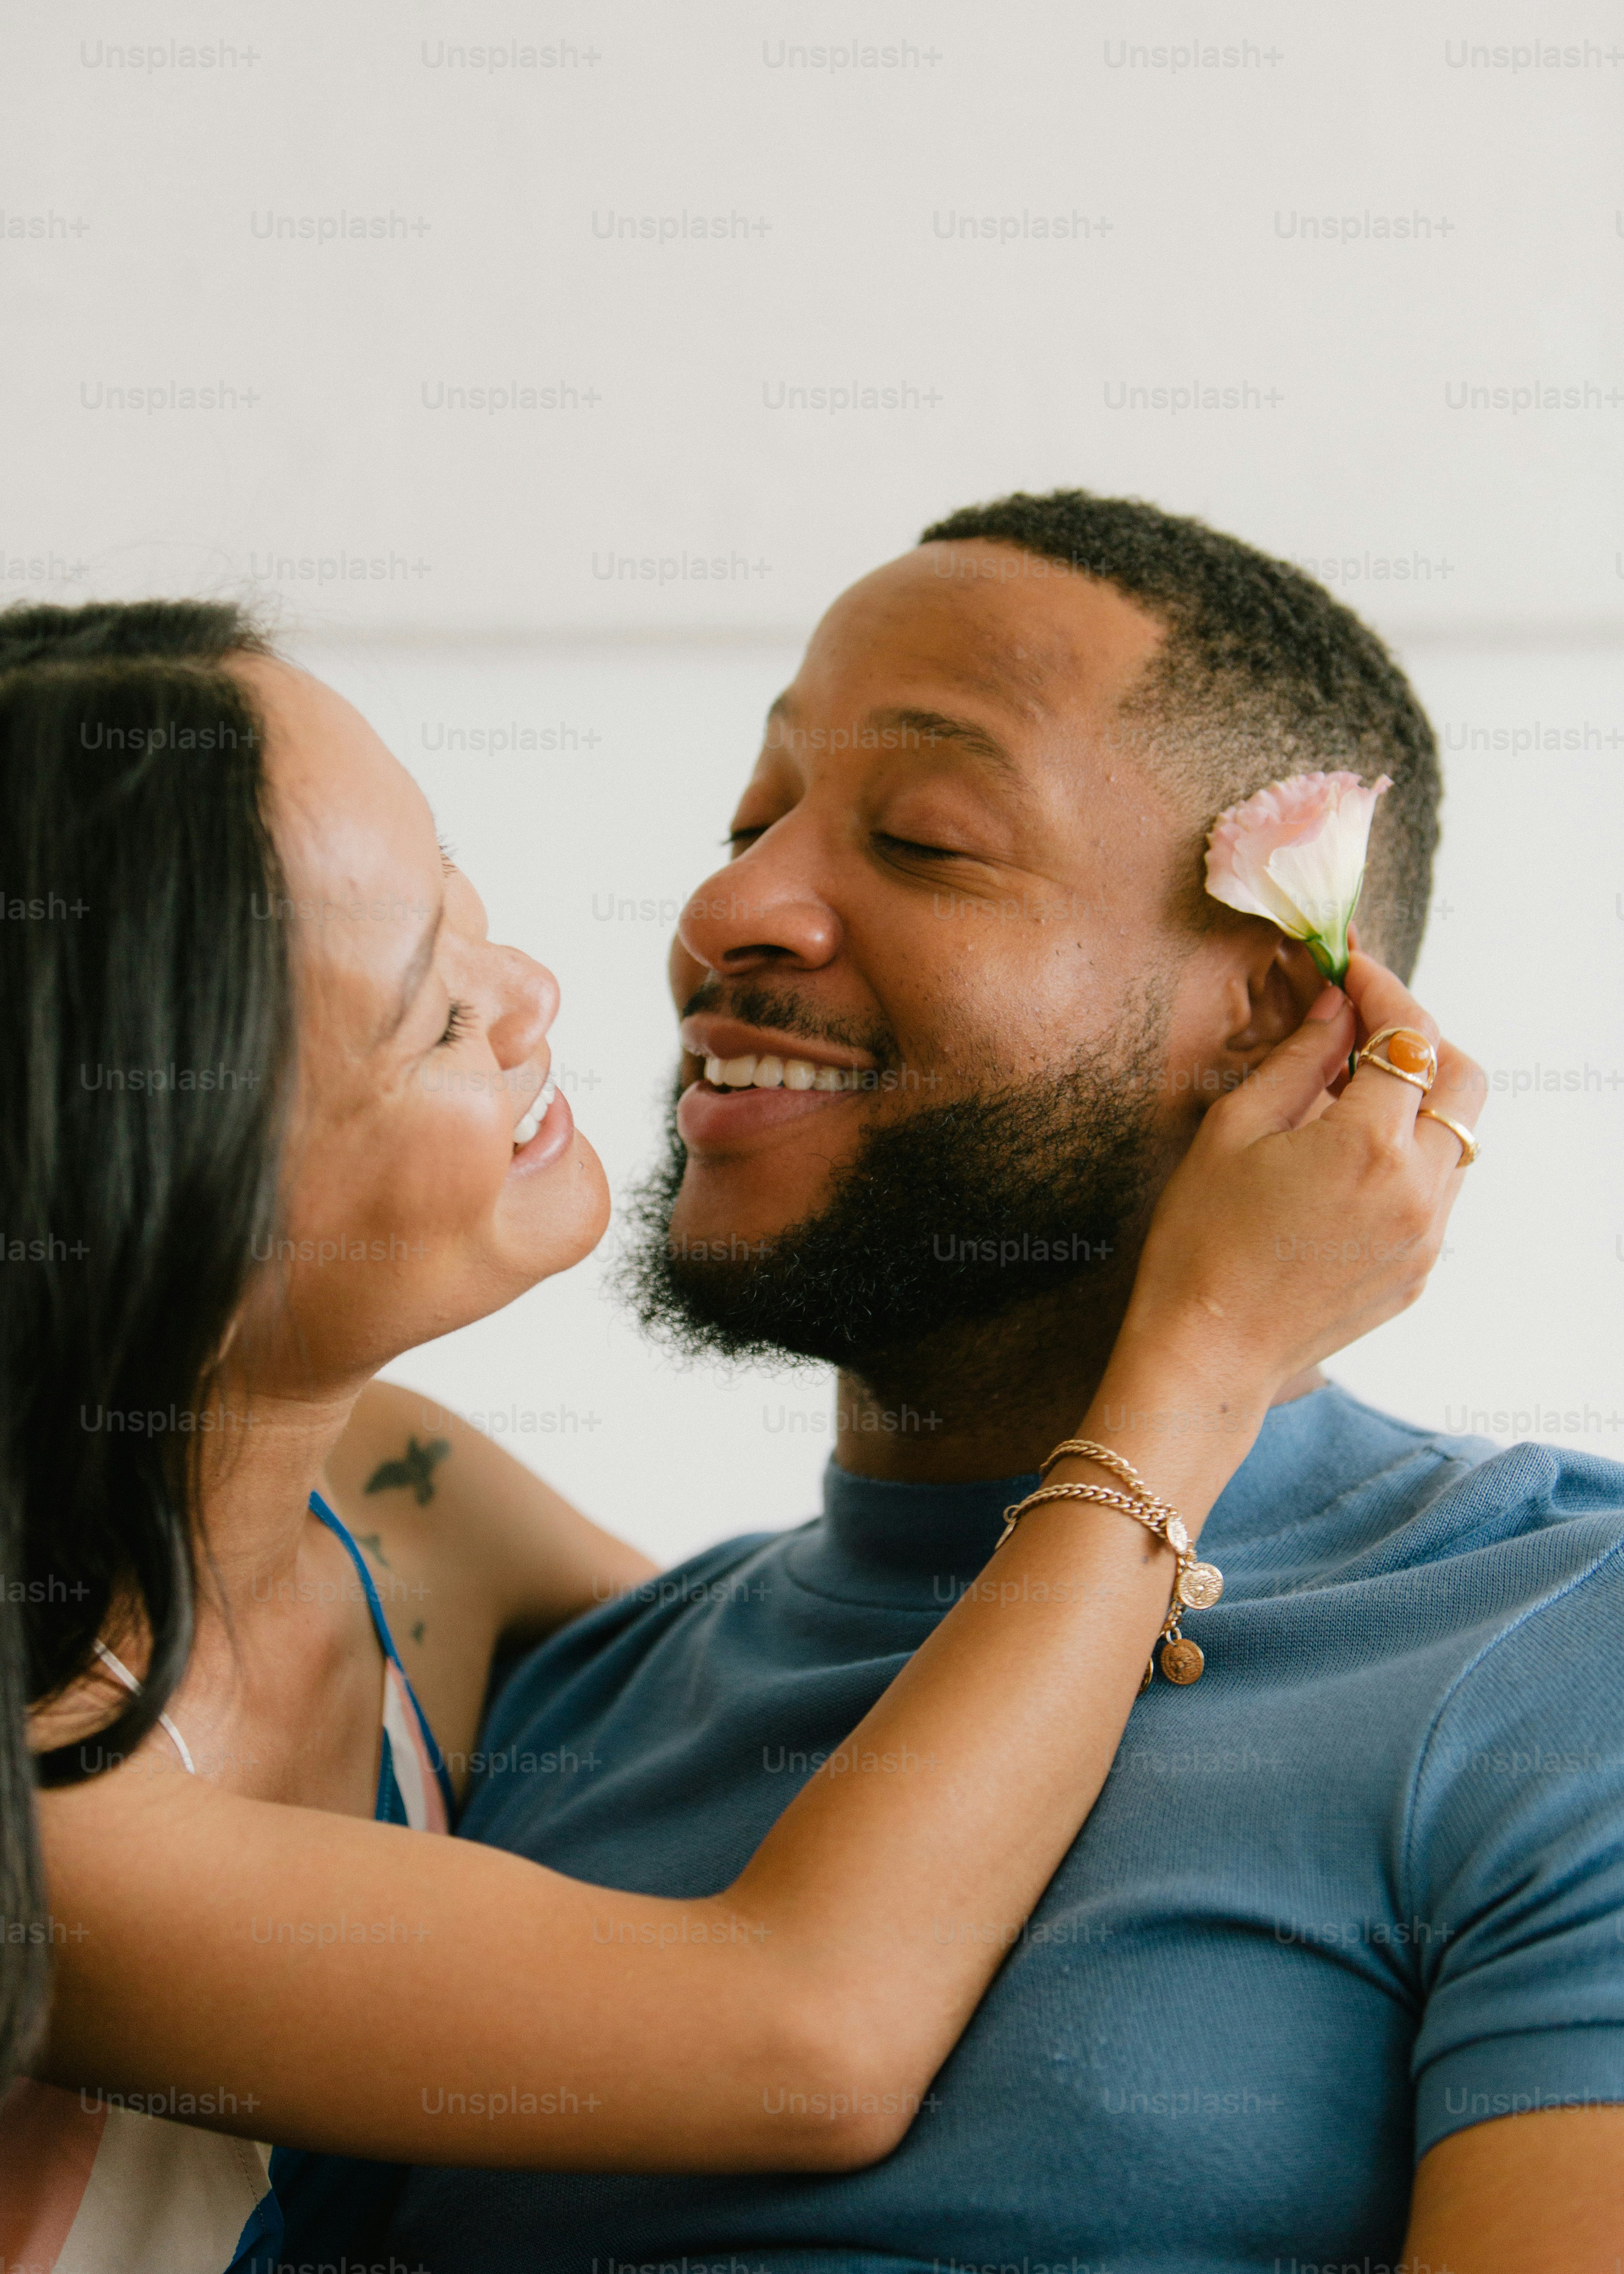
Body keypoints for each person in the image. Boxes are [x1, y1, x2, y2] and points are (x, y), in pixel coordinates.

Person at [0, 595, 1472, 2274]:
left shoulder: (412, 1505)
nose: (537, 991)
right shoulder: (46, 1815)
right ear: (153, 1173)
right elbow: (803, 2028)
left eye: (464, 902)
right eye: (436, 1012)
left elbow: (786, 1717)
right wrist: (1206, 1352)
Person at [384, 492, 1624, 2273]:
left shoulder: (1563, 1651)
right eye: (750, 821)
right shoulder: (554, 1696)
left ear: (1275, 1017)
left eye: (924, 839)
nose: (729, 905)